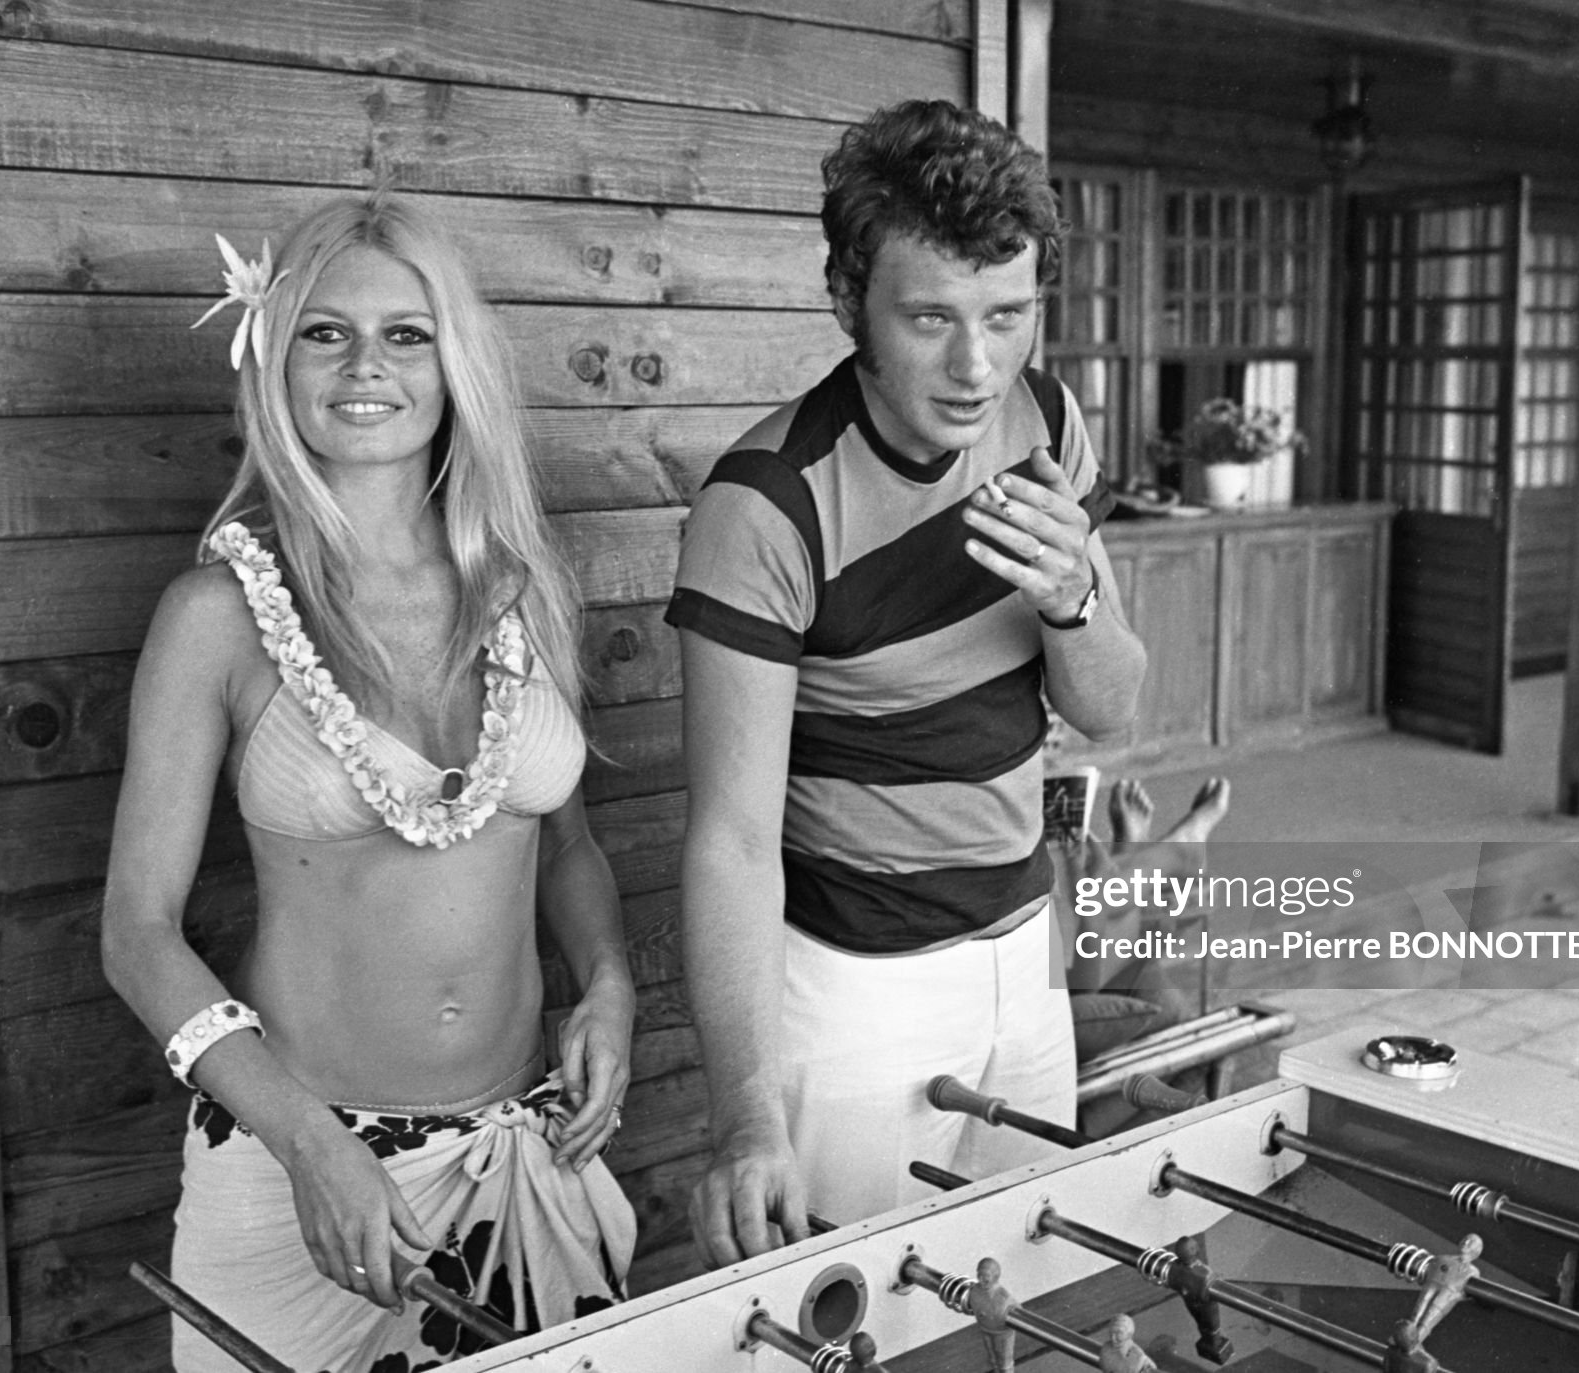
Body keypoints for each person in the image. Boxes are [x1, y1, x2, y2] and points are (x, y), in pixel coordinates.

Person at [102, 194, 635, 1373]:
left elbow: (568, 846)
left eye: (407, 333)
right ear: (271, 353)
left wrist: (606, 983)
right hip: (300, 1160)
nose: (365, 366)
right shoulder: (217, 617)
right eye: (324, 331)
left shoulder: (522, 593)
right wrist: (306, 1144)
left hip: (522, 1149)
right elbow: (137, 935)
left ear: (455, 364)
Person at [668, 97, 1146, 1261]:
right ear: (847, 302)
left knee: (1021, 1291)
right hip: (853, 986)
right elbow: (729, 839)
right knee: (854, 1316)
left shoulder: (1045, 417)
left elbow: (1111, 707)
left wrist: (1069, 595)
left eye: (1006, 314)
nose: (975, 365)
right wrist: (742, 1118)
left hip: (1022, 949)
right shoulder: (766, 505)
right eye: (929, 317)